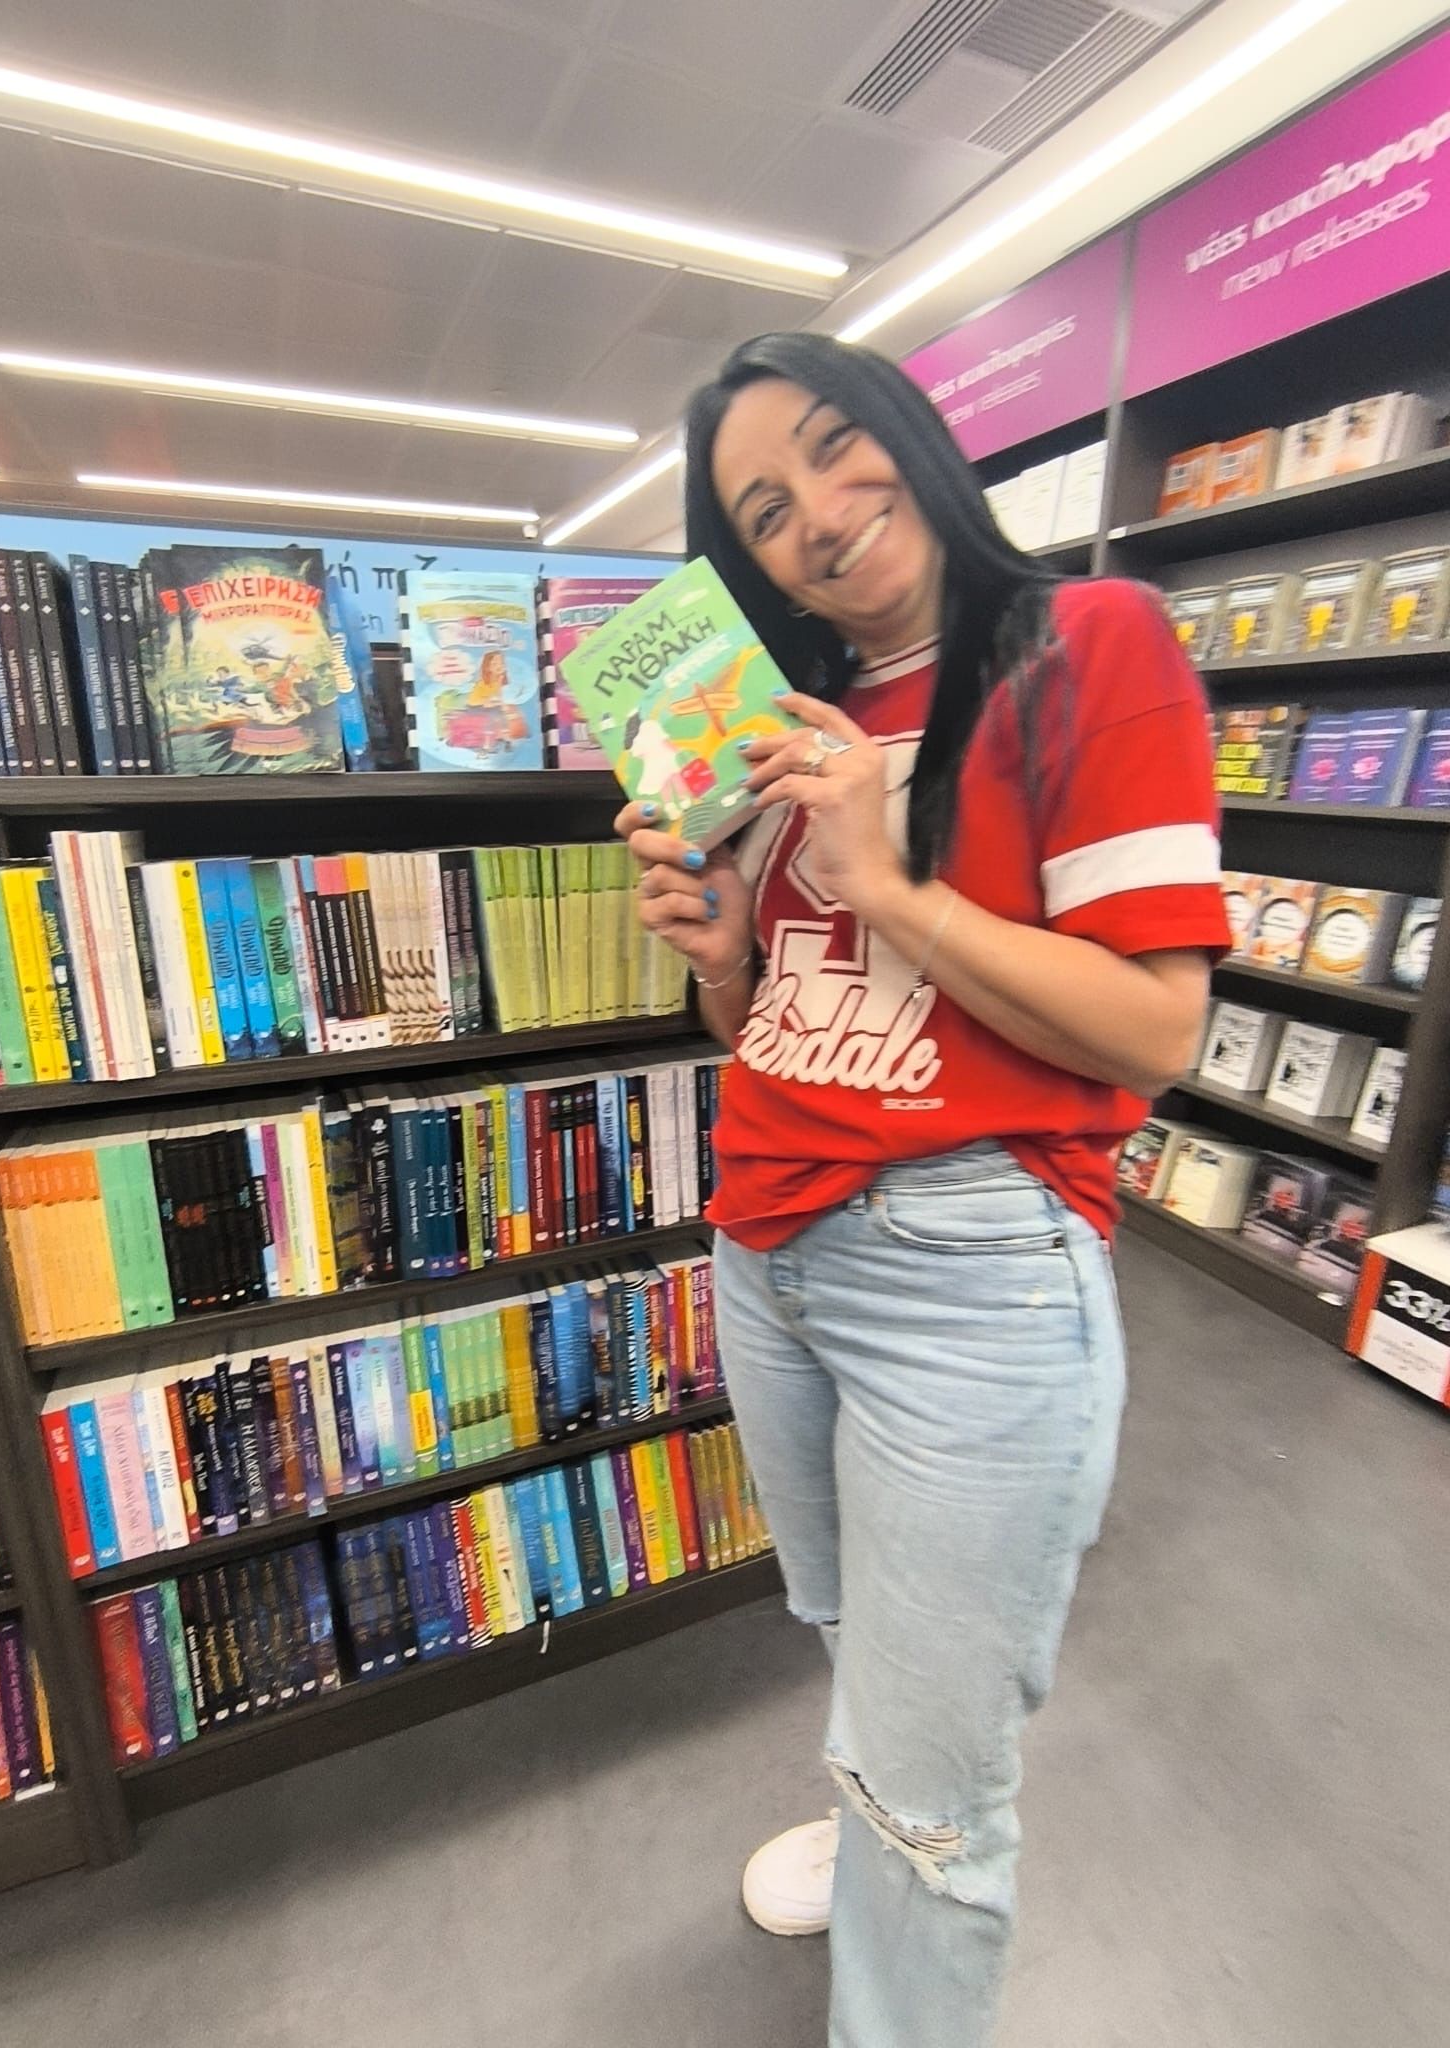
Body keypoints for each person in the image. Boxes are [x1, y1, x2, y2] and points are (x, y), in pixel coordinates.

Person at [616, 332, 1230, 2048]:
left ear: (914, 432)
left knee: (938, 1793)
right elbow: (770, 1018)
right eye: (763, 509)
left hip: (965, 1264)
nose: (816, 513)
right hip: (768, 1242)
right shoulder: (775, 724)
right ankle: (870, 1807)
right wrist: (723, 956)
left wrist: (888, 883)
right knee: (844, 1622)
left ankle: (896, 1864)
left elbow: (1157, 1024)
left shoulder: (1085, 643)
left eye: (834, 448)